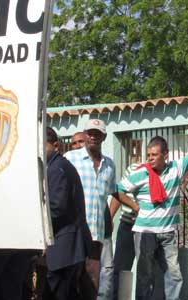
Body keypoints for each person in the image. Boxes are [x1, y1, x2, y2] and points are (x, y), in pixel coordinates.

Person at [116, 123, 188, 300]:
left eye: (154, 155)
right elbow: (117, 189)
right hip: (145, 233)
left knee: (174, 275)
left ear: (165, 155)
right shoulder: (140, 173)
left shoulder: (176, 168)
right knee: (145, 277)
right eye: (148, 155)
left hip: (168, 234)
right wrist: (135, 206)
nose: (150, 158)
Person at [65, 119, 118, 299]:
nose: (93, 137)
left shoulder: (109, 165)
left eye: (97, 134)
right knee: (71, 280)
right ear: (85, 135)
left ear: (103, 137)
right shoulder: (70, 159)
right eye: (90, 133)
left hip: (96, 235)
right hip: (74, 233)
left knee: (92, 283)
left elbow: (114, 193)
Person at [44, 127, 92, 300]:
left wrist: (38, 230)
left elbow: (56, 207)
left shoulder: (57, 168)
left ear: (55, 145)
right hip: (69, 246)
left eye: (43, 145)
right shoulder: (58, 166)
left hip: (65, 246)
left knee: (58, 292)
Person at [111, 161, 141, 300]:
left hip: (148, 229)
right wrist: (110, 217)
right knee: (120, 269)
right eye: (149, 155)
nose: (152, 158)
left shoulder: (166, 174)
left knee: (146, 272)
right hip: (128, 225)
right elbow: (119, 191)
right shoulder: (134, 169)